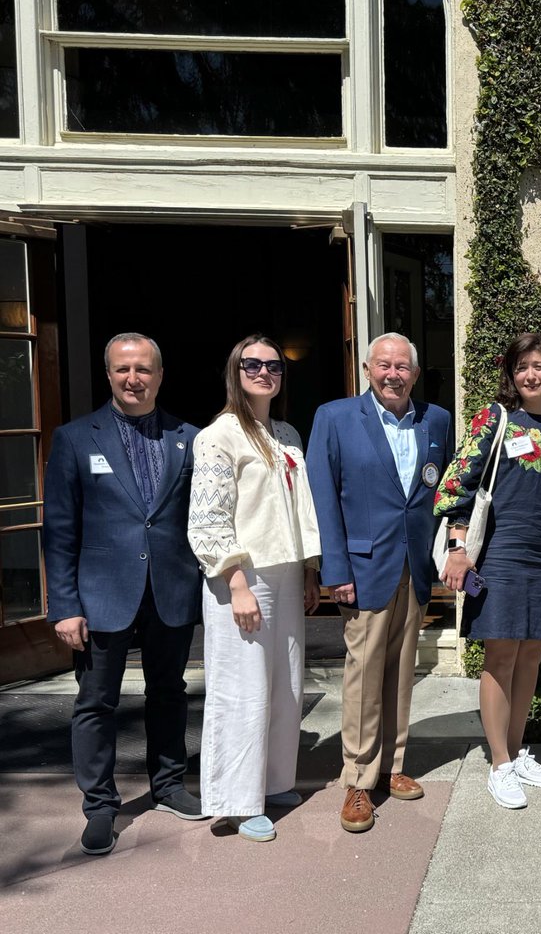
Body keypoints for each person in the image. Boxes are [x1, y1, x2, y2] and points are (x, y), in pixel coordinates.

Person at [43, 332, 206, 856]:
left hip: (170, 589)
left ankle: (168, 784)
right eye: (122, 370)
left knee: (169, 691)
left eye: (143, 370)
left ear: (160, 375)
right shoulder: (74, 438)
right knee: (96, 703)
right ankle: (99, 807)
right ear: (109, 374)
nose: (133, 379)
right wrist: (64, 606)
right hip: (101, 596)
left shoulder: (191, 437)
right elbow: (60, 530)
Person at [307, 332, 451, 833]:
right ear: (367, 369)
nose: (393, 374)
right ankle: (358, 780)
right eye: (384, 365)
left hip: (414, 566)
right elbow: (324, 500)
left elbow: (443, 493)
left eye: (403, 367)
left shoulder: (437, 420)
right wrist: (335, 571)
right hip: (363, 568)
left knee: (400, 671)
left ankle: (392, 766)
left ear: (414, 373)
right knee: (364, 675)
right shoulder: (335, 417)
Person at [434, 333, 541, 809]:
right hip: (500, 553)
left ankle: (517, 753)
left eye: (539, 365)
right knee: (500, 658)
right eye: (522, 367)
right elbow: (459, 479)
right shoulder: (495, 418)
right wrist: (459, 548)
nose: (531, 375)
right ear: (511, 374)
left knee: (532, 656)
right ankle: (499, 763)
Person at [187, 334, 322, 842]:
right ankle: (237, 800)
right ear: (234, 371)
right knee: (242, 688)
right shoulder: (218, 435)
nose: (264, 371)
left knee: (285, 685)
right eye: (252, 364)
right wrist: (236, 583)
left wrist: (310, 571)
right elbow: (208, 521)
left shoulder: (286, 432)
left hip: (287, 572)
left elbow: (299, 510)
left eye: (273, 365)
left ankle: (273, 780)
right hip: (242, 576)